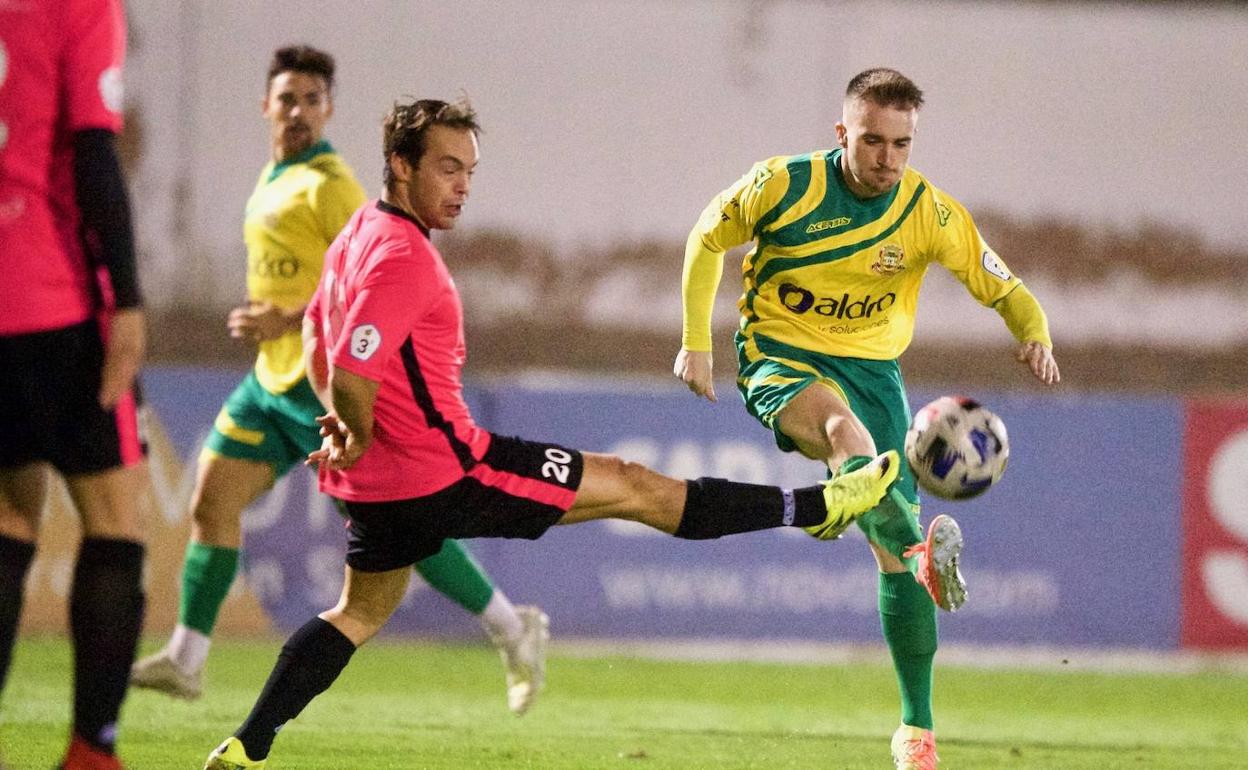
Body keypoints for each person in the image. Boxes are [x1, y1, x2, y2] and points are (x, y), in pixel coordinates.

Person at [201, 96, 900, 769]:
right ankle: (816, 507)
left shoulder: (357, 233)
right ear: (401, 164)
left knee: (356, 614)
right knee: (635, 487)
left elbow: (320, 341)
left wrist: (348, 430)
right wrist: (353, 424)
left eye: (470, 170)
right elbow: (355, 371)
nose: (463, 186)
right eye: (448, 167)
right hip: (451, 469)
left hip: (378, 487)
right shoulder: (402, 257)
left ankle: (245, 746)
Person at [129, 45, 548, 716]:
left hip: (321, 386)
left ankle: (508, 625)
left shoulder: (330, 187)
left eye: (312, 100)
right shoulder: (275, 177)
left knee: (398, 528)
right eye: (287, 98)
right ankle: (186, 658)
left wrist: (286, 318)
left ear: (328, 110)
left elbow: (356, 283)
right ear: (266, 105)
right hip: (271, 381)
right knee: (212, 500)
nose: (298, 111)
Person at [673, 67, 1060, 769]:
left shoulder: (929, 213)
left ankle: (916, 730)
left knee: (892, 558)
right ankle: (912, 547)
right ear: (842, 133)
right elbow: (707, 238)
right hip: (781, 354)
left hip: (876, 376)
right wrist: (696, 342)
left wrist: (1035, 334)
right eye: (873, 141)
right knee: (843, 435)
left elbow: (1004, 287)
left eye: (901, 144)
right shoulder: (782, 185)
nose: (887, 159)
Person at [0, 1, 151, 768]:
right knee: (116, 520)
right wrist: (127, 300)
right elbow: (94, 154)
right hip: (52, 298)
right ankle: (93, 751)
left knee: (8, 516)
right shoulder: (80, 6)